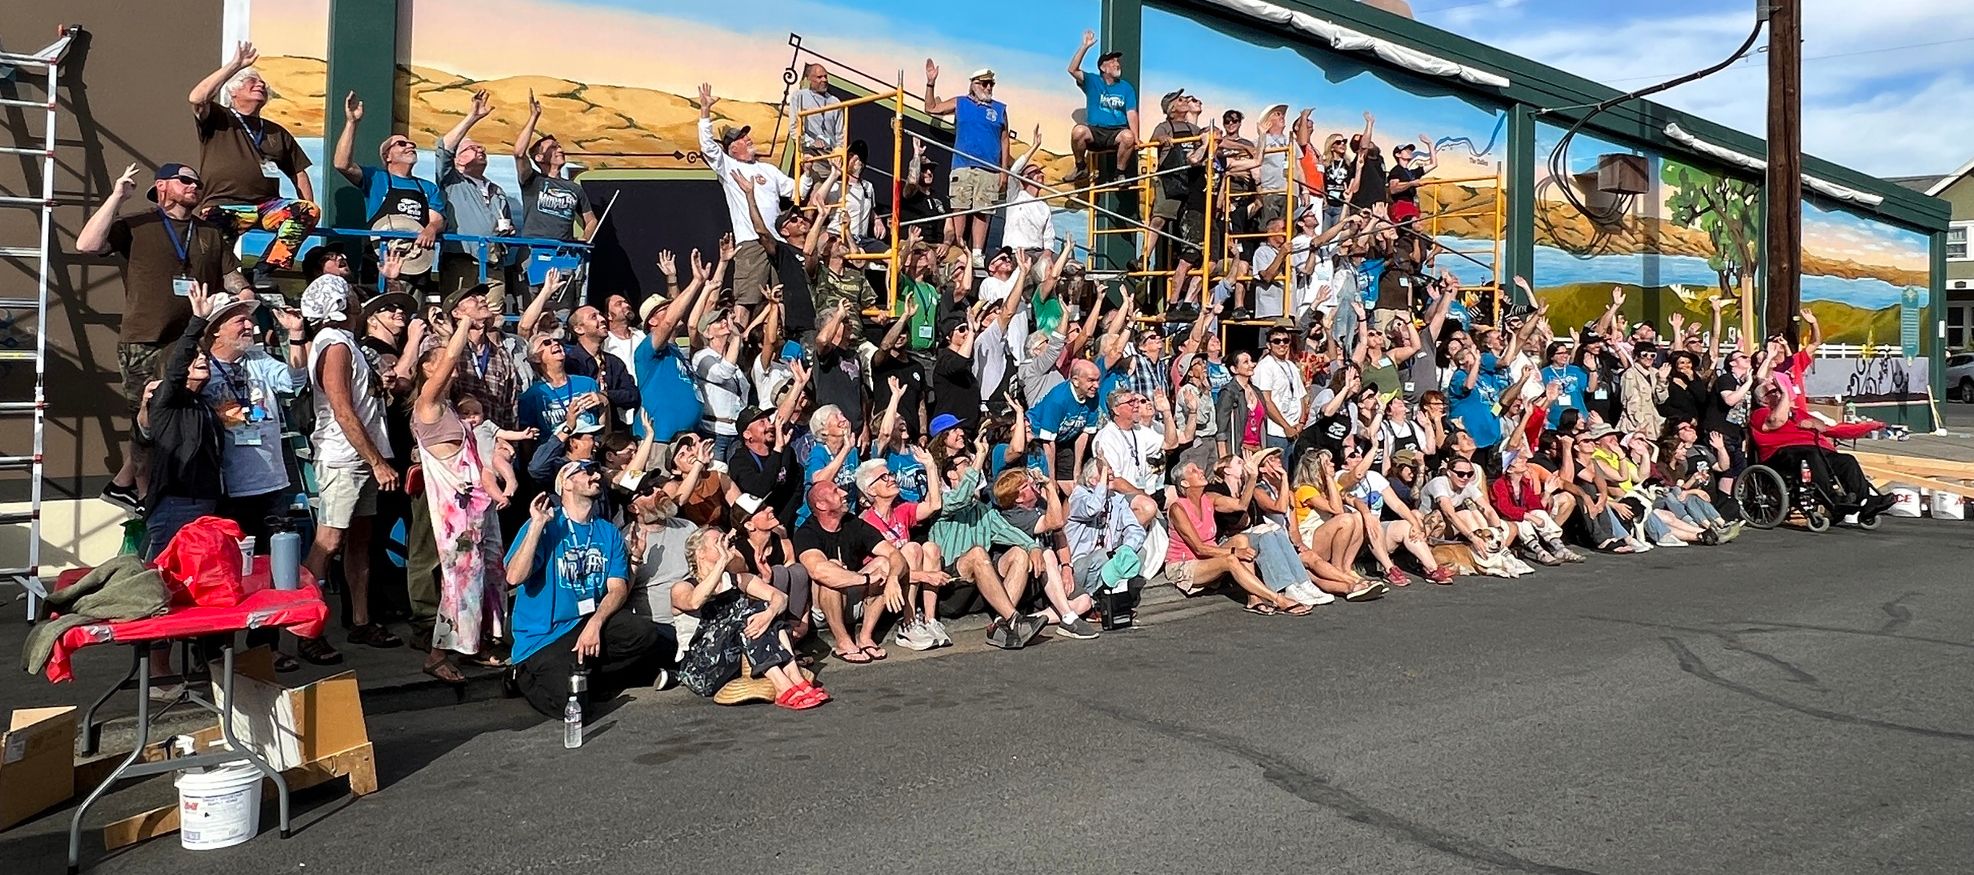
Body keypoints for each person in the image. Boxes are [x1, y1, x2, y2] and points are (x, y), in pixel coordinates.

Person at [75, 162, 250, 514]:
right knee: (148, 418)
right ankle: (142, 494)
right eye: (185, 180)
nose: (194, 186)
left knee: (180, 417)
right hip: (145, 338)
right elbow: (87, 244)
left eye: (198, 182)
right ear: (162, 186)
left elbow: (233, 278)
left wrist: (244, 298)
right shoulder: (139, 224)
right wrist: (117, 197)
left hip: (191, 342)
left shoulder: (209, 234)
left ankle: (125, 484)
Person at [506, 462, 673, 718]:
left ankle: (586, 678)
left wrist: (595, 622)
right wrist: (537, 526)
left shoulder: (607, 531)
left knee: (643, 633)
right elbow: (514, 576)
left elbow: (617, 589)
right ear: (567, 483)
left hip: (585, 623)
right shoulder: (545, 524)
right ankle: (521, 676)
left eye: (595, 471)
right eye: (585, 472)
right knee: (574, 708)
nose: (596, 475)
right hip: (544, 637)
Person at [407, 284, 509, 683]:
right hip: (455, 512)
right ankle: (437, 653)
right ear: (427, 370)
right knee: (460, 578)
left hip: (475, 503)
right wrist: (463, 322)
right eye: (438, 361)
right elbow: (451, 355)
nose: (450, 364)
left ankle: (476, 642)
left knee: (487, 573)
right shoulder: (427, 404)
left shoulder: (450, 405)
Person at [300, 275, 403, 650]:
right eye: (352, 297)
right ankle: (306, 628)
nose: (360, 302)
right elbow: (342, 410)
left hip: (357, 456)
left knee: (359, 539)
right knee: (328, 541)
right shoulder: (335, 346)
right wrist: (376, 461)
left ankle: (361, 619)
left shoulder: (346, 344)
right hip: (343, 458)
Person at [188, 41, 318, 278]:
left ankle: (264, 269)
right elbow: (197, 97)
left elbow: (298, 172)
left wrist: (310, 209)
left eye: (262, 84)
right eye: (252, 81)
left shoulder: (275, 131)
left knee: (306, 211)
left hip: (266, 206)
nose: (260, 85)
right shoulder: (219, 117)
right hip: (223, 204)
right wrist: (235, 65)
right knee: (215, 256)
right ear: (233, 92)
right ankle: (227, 284)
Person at [139, 282, 227, 560]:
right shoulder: (168, 400)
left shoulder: (203, 406)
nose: (202, 359)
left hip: (206, 502)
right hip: (176, 505)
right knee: (163, 583)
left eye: (204, 356)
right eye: (195, 356)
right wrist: (198, 321)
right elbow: (177, 367)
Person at [698, 81, 795, 319]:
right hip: (752, 243)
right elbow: (708, 148)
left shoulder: (768, 170)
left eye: (746, 135)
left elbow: (796, 190)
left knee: (782, 300)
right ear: (732, 149)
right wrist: (705, 112)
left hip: (778, 242)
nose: (748, 139)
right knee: (746, 301)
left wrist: (818, 171)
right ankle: (736, 348)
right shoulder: (729, 167)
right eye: (742, 138)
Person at [1164, 458, 1305, 615]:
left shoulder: (1209, 498)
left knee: (1242, 539)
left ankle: (1254, 599)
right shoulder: (1178, 508)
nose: (1201, 471)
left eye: (1199, 468)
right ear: (1184, 483)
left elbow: (1241, 505)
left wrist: (1252, 478)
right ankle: (1278, 599)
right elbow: (1199, 548)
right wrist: (1234, 552)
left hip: (1209, 557)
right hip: (1185, 565)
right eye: (1193, 471)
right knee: (1230, 559)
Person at [794, 480, 913, 663]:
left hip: (854, 599)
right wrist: (866, 579)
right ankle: (843, 642)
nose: (844, 493)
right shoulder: (807, 532)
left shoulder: (852, 523)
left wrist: (893, 579)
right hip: (823, 608)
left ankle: (865, 637)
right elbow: (818, 570)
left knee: (884, 564)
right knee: (832, 570)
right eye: (835, 492)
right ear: (821, 505)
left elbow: (893, 553)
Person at [331, 92, 446, 264]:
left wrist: (431, 229)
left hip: (416, 260)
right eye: (401, 144)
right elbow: (342, 164)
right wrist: (352, 123)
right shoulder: (376, 178)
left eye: (412, 145)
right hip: (379, 259)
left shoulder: (428, 188)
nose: (410, 146)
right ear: (387, 156)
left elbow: (437, 219)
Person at [432, 88, 520, 312]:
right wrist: (472, 117)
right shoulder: (451, 179)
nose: (481, 150)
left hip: (493, 262)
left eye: (483, 148)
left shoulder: (497, 190)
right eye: (472, 148)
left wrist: (507, 234)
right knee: (459, 314)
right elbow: (444, 147)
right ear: (459, 159)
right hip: (462, 260)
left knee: (493, 318)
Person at [512, 90, 599, 305]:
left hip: (564, 254)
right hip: (534, 253)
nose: (559, 149)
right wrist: (534, 117)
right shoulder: (532, 180)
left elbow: (591, 220)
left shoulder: (574, 188)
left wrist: (585, 240)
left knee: (561, 311)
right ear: (540, 157)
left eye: (559, 146)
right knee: (532, 310)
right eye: (552, 147)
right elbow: (519, 153)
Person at [924, 60, 1011, 268]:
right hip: (963, 164)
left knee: (983, 211)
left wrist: (1004, 170)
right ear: (973, 84)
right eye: (983, 83)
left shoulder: (999, 109)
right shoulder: (961, 102)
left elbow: (1005, 139)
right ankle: (959, 245)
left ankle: (978, 252)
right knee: (960, 206)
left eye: (991, 84)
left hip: (990, 167)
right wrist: (930, 83)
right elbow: (931, 108)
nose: (988, 87)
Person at [1065, 30, 1139, 182]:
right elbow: (1072, 69)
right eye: (1112, 62)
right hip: (1095, 130)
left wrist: (1136, 138)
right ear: (1103, 68)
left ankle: (1120, 174)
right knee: (1078, 131)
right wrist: (1085, 46)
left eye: (1117, 61)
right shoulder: (1093, 81)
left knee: (1128, 136)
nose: (1117, 64)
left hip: (1116, 132)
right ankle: (1080, 167)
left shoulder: (1126, 87)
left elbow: (1131, 113)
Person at [1253, 327, 1307, 455]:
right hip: (1276, 431)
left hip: (1296, 428)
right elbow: (1266, 401)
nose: (1282, 344)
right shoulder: (1265, 366)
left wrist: (1300, 422)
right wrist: (1286, 426)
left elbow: (1302, 396)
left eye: (1285, 340)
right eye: (1276, 341)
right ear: (1268, 345)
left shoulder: (1291, 366)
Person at [790, 63, 844, 187]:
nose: (824, 80)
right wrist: (810, 142)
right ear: (810, 79)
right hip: (812, 154)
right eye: (819, 77)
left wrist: (838, 151)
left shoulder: (835, 102)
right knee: (817, 189)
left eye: (825, 77)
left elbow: (840, 133)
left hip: (830, 156)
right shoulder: (799, 96)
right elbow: (794, 127)